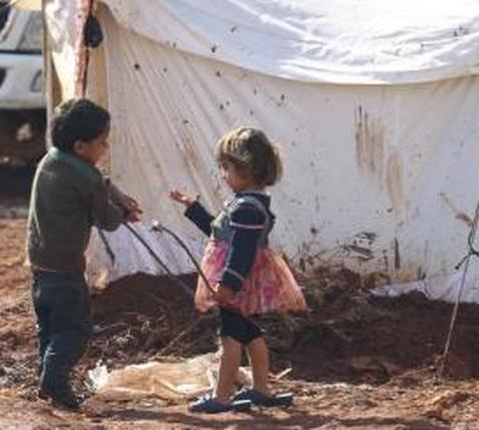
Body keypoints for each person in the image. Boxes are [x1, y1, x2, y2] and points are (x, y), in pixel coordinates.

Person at [169, 126, 307, 414]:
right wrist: (193, 208)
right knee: (250, 333)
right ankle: (261, 389)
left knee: (231, 336)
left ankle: (221, 397)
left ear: (245, 169)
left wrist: (228, 285)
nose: (223, 174)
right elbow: (219, 232)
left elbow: (241, 252)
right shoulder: (248, 205)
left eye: (226, 168)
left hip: (238, 282)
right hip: (244, 281)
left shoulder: (247, 209)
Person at [27, 97, 142, 410]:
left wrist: (111, 191)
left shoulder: (50, 160)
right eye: (102, 143)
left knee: (49, 329)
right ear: (81, 146)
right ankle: (54, 380)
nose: (105, 149)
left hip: (39, 269)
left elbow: (93, 183)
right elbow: (106, 219)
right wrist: (123, 212)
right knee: (74, 330)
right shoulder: (86, 177)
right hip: (66, 272)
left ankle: (45, 378)